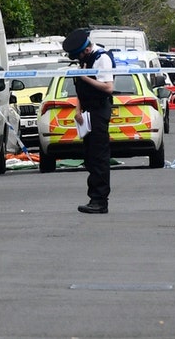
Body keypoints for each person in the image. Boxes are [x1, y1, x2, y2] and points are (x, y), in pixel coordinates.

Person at [62, 28, 114, 214]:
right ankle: (94, 197)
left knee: (99, 157)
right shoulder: (86, 60)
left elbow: (108, 88)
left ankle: (100, 201)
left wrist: (85, 77)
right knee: (90, 156)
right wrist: (78, 110)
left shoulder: (102, 58)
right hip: (87, 113)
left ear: (85, 50)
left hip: (99, 111)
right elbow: (81, 89)